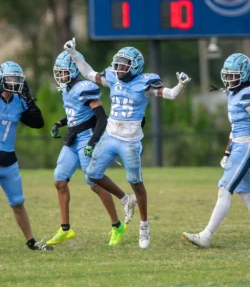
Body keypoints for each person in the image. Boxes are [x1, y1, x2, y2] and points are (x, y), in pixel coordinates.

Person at [63, 38, 191, 249]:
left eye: (124, 65)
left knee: (136, 182)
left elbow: (170, 95)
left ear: (136, 67)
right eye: (118, 64)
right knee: (92, 175)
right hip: (110, 136)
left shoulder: (145, 83)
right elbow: (89, 73)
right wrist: (74, 54)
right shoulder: (113, 77)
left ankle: (144, 225)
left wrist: (181, 85)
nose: (119, 68)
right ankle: (125, 199)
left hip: (130, 141)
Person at [183, 53, 250, 248]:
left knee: (224, 189)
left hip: (247, 146)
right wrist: (227, 152)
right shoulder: (234, 93)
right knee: (245, 192)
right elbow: (235, 128)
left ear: (244, 75)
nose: (228, 79)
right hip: (238, 144)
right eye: (226, 75)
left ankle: (206, 236)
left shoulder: (249, 93)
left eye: (233, 75)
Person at [46, 51, 136, 247]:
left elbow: (101, 117)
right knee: (60, 181)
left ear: (72, 70)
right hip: (72, 138)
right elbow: (75, 112)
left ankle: (117, 225)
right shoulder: (67, 89)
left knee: (95, 183)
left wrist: (92, 142)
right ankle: (65, 229)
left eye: (62, 72)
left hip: (86, 139)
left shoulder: (84, 87)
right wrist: (60, 122)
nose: (60, 76)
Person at [0, 61, 52, 251]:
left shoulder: (20, 102)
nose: (13, 83)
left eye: (17, 80)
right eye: (10, 79)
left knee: (18, 203)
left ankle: (31, 242)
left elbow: (38, 123)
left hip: (8, 163)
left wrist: (30, 101)